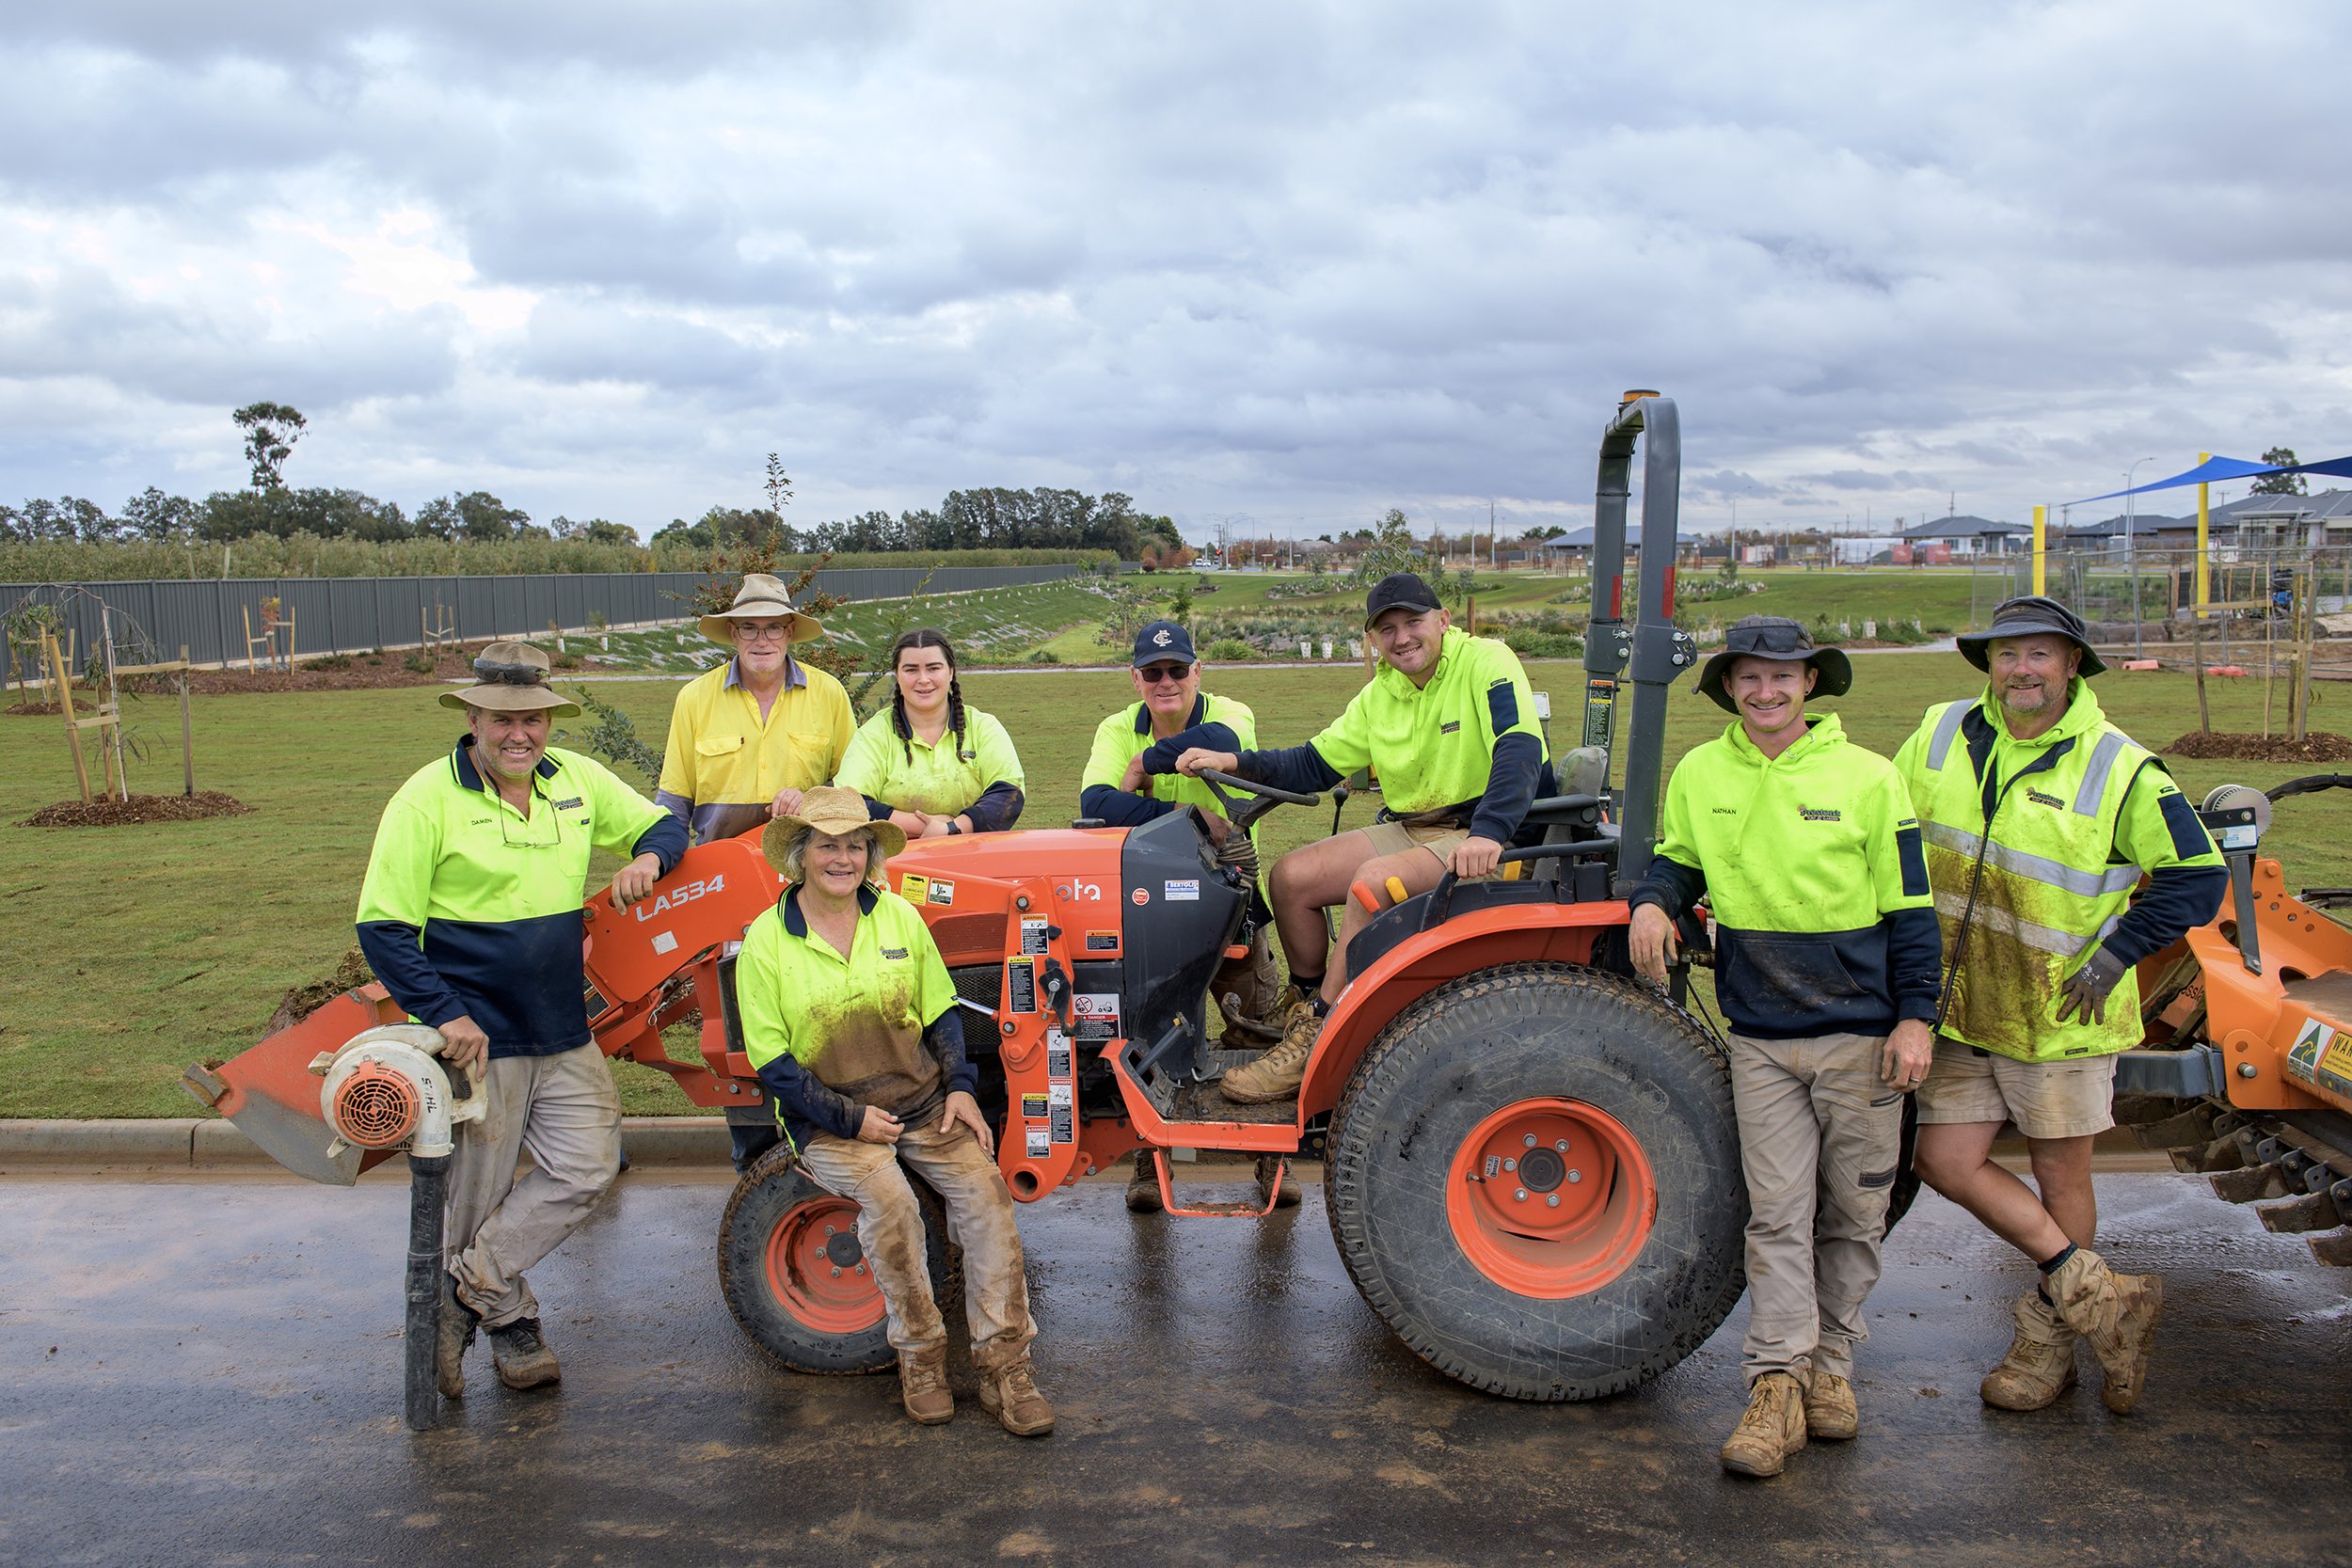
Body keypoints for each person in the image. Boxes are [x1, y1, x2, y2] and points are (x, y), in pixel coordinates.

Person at [1893, 595, 2226, 1417]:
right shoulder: (1940, 731)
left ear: (2073, 664)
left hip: (2061, 1015)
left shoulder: (2120, 765)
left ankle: (2050, 1346)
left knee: (2057, 1171)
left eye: (2041, 654)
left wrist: (2116, 953)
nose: (2022, 670)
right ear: (1989, 665)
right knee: (1943, 1160)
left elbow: (2199, 872)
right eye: (2008, 655)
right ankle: (2106, 1296)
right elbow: (1887, 828)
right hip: (1959, 1006)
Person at [1626, 615, 1939, 1480]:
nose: (1767, 692)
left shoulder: (1870, 779)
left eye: (1784, 678)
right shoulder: (1701, 770)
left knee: (1853, 1215)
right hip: (1760, 1037)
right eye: (1750, 678)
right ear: (1730, 686)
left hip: (1862, 1037)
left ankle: (1831, 1368)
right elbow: (1677, 861)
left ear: (1811, 684)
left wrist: (1916, 1018)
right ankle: (1775, 1384)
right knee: (1776, 1216)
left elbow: (1912, 915)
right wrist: (1652, 901)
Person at [355, 642, 687, 1397]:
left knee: (588, 1168)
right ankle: (509, 1322)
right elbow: (382, 927)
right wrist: (446, 1014)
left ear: (548, 721)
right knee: (471, 1199)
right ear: (472, 717)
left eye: (533, 719)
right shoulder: (425, 799)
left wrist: (650, 859)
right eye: (502, 718)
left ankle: (465, 1292)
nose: (519, 734)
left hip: (563, 1026)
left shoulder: (573, 782)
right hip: (476, 1040)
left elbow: (664, 826)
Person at [734, 787, 1056, 1436]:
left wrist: (961, 1086)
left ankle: (1006, 1367)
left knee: (988, 1200)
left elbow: (940, 1011)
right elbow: (774, 1067)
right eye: (827, 844)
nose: (843, 858)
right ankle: (921, 1358)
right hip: (829, 1120)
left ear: (870, 854)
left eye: (856, 844)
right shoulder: (766, 942)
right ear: (800, 856)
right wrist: (852, 1120)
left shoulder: (900, 919)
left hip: (922, 1102)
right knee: (892, 1204)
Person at [1169, 572, 1551, 1104]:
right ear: (1373, 638)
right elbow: (1311, 763)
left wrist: (1490, 832)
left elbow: (1518, 746)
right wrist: (1233, 761)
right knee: (1291, 878)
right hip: (1420, 826)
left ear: (1443, 621)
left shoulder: (1486, 662)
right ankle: (1303, 1005)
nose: (1402, 638)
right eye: (1386, 629)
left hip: (1495, 836)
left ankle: (1321, 1034)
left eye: (1413, 622)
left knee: (1373, 884)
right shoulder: (1381, 694)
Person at [1079, 619, 1293, 1211]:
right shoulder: (1112, 726)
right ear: (1136, 678)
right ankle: (1150, 1162)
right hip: (1153, 904)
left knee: (1255, 1017)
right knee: (1148, 1026)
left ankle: (1270, 1158)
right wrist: (1193, 817)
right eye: (1154, 672)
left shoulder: (1229, 711)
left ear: (1198, 672)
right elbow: (1094, 804)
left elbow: (1228, 743)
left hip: (1228, 891)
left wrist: (1145, 765)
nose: (1166, 681)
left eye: (1178, 670)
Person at [655, 572, 853, 846]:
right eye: (749, 628)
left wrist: (810, 799)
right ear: (733, 633)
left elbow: (853, 787)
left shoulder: (829, 694)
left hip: (808, 865)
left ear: (790, 633)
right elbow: (674, 802)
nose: (762, 641)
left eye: (774, 628)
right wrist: (658, 856)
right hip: (720, 866)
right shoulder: (694, 698)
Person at [836, 629, 1025, 839]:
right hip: (893, 860)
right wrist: (934, 826)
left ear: (951, 672)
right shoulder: (873, 734)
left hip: (975, 855)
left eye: (933, 668)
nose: (923, 679)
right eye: (911, 670)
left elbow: (1009, 794)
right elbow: (849, 803)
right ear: (897, 675)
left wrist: (952, 828)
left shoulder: (984, 727)